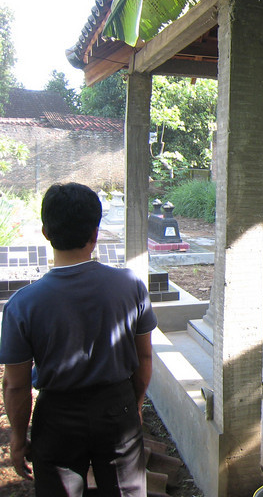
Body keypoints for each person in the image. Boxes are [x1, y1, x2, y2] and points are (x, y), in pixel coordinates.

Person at [0, 182, 157, 496]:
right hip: (117, 411)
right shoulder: (130, 286)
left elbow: (15, 385)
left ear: (45, 231)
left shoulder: (23, 304)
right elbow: (144, 359)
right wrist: (134, 405)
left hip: (56, 417)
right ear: (95, 234)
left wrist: (18, 440)